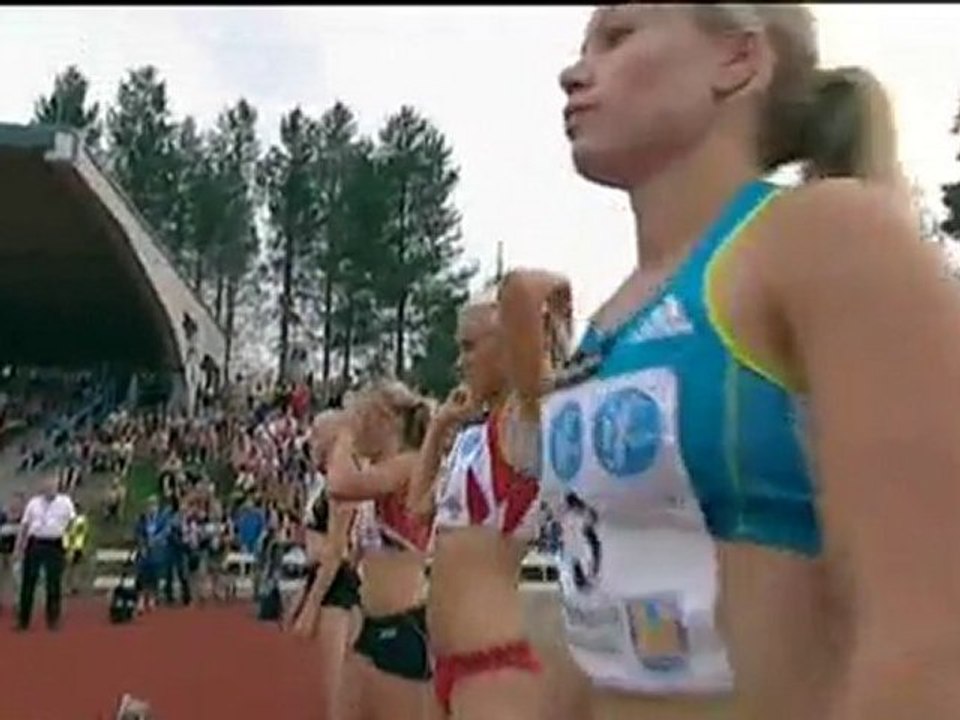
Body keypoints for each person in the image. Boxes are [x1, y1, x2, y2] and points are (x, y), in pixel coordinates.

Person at [494, 5, 960, 720]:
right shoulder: (610, 320)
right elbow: (596, 618)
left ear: (737, 60)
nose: (574, 70)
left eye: (618, 36)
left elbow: (931, 634)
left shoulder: (829, 236)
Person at [406, 286, 565, 720]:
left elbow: (532, 295)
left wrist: (538, 309)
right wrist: (439, 428)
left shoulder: (521, 428)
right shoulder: (470, 439)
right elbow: (417, 510)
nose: (461, 362)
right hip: (445, 665)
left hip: (494, 666)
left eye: (469, 346)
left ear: (508, 344)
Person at [325, 382, 438, 720]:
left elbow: (339, 485)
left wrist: (343, 433)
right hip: (370, 625)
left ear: (385, 421)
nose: (357, 427)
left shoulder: (408, 465)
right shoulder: (381, 474)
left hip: (403, 624)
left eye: (362, 418)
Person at [286, 408, 362, 720]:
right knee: (338, 681)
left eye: (317, 435)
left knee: (338, 686)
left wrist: (312, 603)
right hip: (327, 575)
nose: (311, 442)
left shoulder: (342, 483)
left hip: (337, 581)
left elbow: (337, 549)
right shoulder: (325, 480)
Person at [14, 475, 76, 631]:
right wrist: (19, 547)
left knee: (53, 583)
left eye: (53, 486)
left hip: (55, 543)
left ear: (57, 487)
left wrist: (71, 546)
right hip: (35, 542)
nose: (50, 489)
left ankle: (53, 619)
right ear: (42, 487)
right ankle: (23, 620)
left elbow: (73, 524)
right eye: (47, 486)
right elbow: (25, 526)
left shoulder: (65, 502)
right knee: (28, 582)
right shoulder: (33, 503)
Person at [63, 501, 89, 595]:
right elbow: (67, 534)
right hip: (72, 546)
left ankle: (74, 585)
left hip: (77, 546)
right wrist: (67, 547)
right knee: (69, 568)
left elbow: (83, 534)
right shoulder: (71, 520)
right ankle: (68, 586)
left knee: (75, 567)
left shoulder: (80, 520)